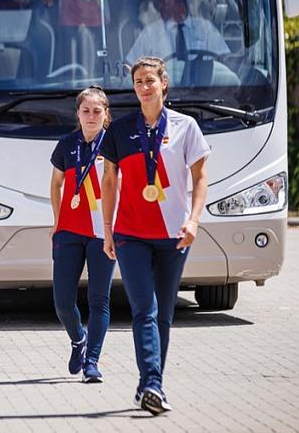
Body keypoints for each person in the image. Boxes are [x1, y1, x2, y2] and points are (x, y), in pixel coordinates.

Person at [99, 57, 210, 415]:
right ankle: (151, 383)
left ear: (164, 84)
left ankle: (151, 384)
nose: (144, 87)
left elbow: (200, 178)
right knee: (143, 309)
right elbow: (110, 180)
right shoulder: (120, 129)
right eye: (138, 82)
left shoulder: (186, 127)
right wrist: (108, 230)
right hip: (131, 233)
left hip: (173, 235)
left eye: (150, 80)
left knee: (163, 314)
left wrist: (194, 221)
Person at [49, 86, 115, 384]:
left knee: (99, 299)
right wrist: (56, 220)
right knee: (62, 300)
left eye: (97, 111)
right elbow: (56, 184)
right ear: (77, 113)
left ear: (105, 114)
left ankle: (92, 361)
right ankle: (78, 339)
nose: (91, 116)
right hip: (69, 231)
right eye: (85, 111)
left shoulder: (114, 145)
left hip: (103, 233)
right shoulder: (66, 144)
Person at [125, 0, 229, 66]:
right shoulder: (150, 32)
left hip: (204, 91)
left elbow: (224, 60)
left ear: (180, 5)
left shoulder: (205, 28)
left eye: (165, 2)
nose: (160, 7)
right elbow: (131, 66)